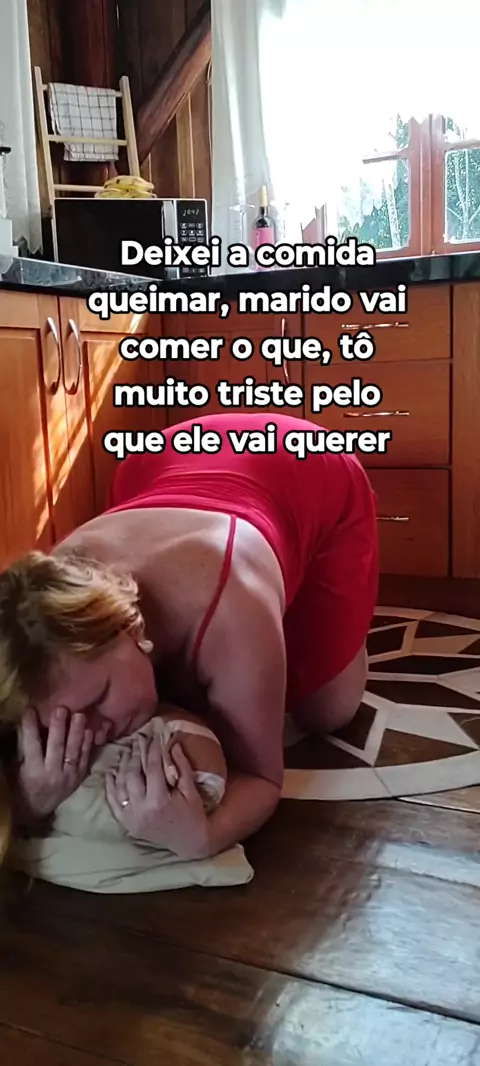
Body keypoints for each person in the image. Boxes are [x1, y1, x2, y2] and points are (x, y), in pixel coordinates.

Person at [0, 412, 378, 862]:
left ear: (129, 627)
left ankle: (331, 611)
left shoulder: (232, 609)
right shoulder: (51, 601)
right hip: (153, 466)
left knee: (326, 713)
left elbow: (261, 778)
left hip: (305, 461)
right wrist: (29, 801)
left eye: (99, 700)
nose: (95, 734)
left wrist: (202, 837)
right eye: (64, 723)